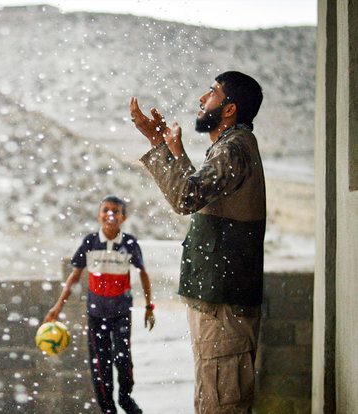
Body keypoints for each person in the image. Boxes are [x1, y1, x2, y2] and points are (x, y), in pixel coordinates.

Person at [129, 71, 266, 413]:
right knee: (213, 396)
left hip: (224, 303)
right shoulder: (230, 147)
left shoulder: (234, 149)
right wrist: (170, 149)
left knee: (221, 401)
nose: (202, 100)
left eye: (212, 93)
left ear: (230, 108)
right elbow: (199, 194)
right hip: (219, 301)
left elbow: (185, 196)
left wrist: (159, 146)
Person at [43, 195, 155, 414]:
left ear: (123, 217)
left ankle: (126, 399)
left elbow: (143, 274)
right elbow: (74, 277)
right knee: (99, 365)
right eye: (106, 210)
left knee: (123, 360)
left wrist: (149, 307)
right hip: (96, 314)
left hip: (121, 312)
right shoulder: (90, 242)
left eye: (116, 211)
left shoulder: (129, 243)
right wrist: (58, 307)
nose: (110, 214)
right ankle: (108, 408)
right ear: (99, 215)